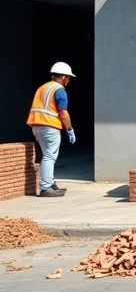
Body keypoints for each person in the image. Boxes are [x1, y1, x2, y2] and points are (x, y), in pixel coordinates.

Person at [26, 62, 76, 197]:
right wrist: (69, 129)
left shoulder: (43, 88)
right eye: (68, 78)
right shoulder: (59, 89)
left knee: (47, 155)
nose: (69, 81)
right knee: (49, 156)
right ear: (63, 77)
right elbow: (63, 112)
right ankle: (46, 187)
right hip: (49, 126)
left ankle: (50, 183)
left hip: (37, 126)